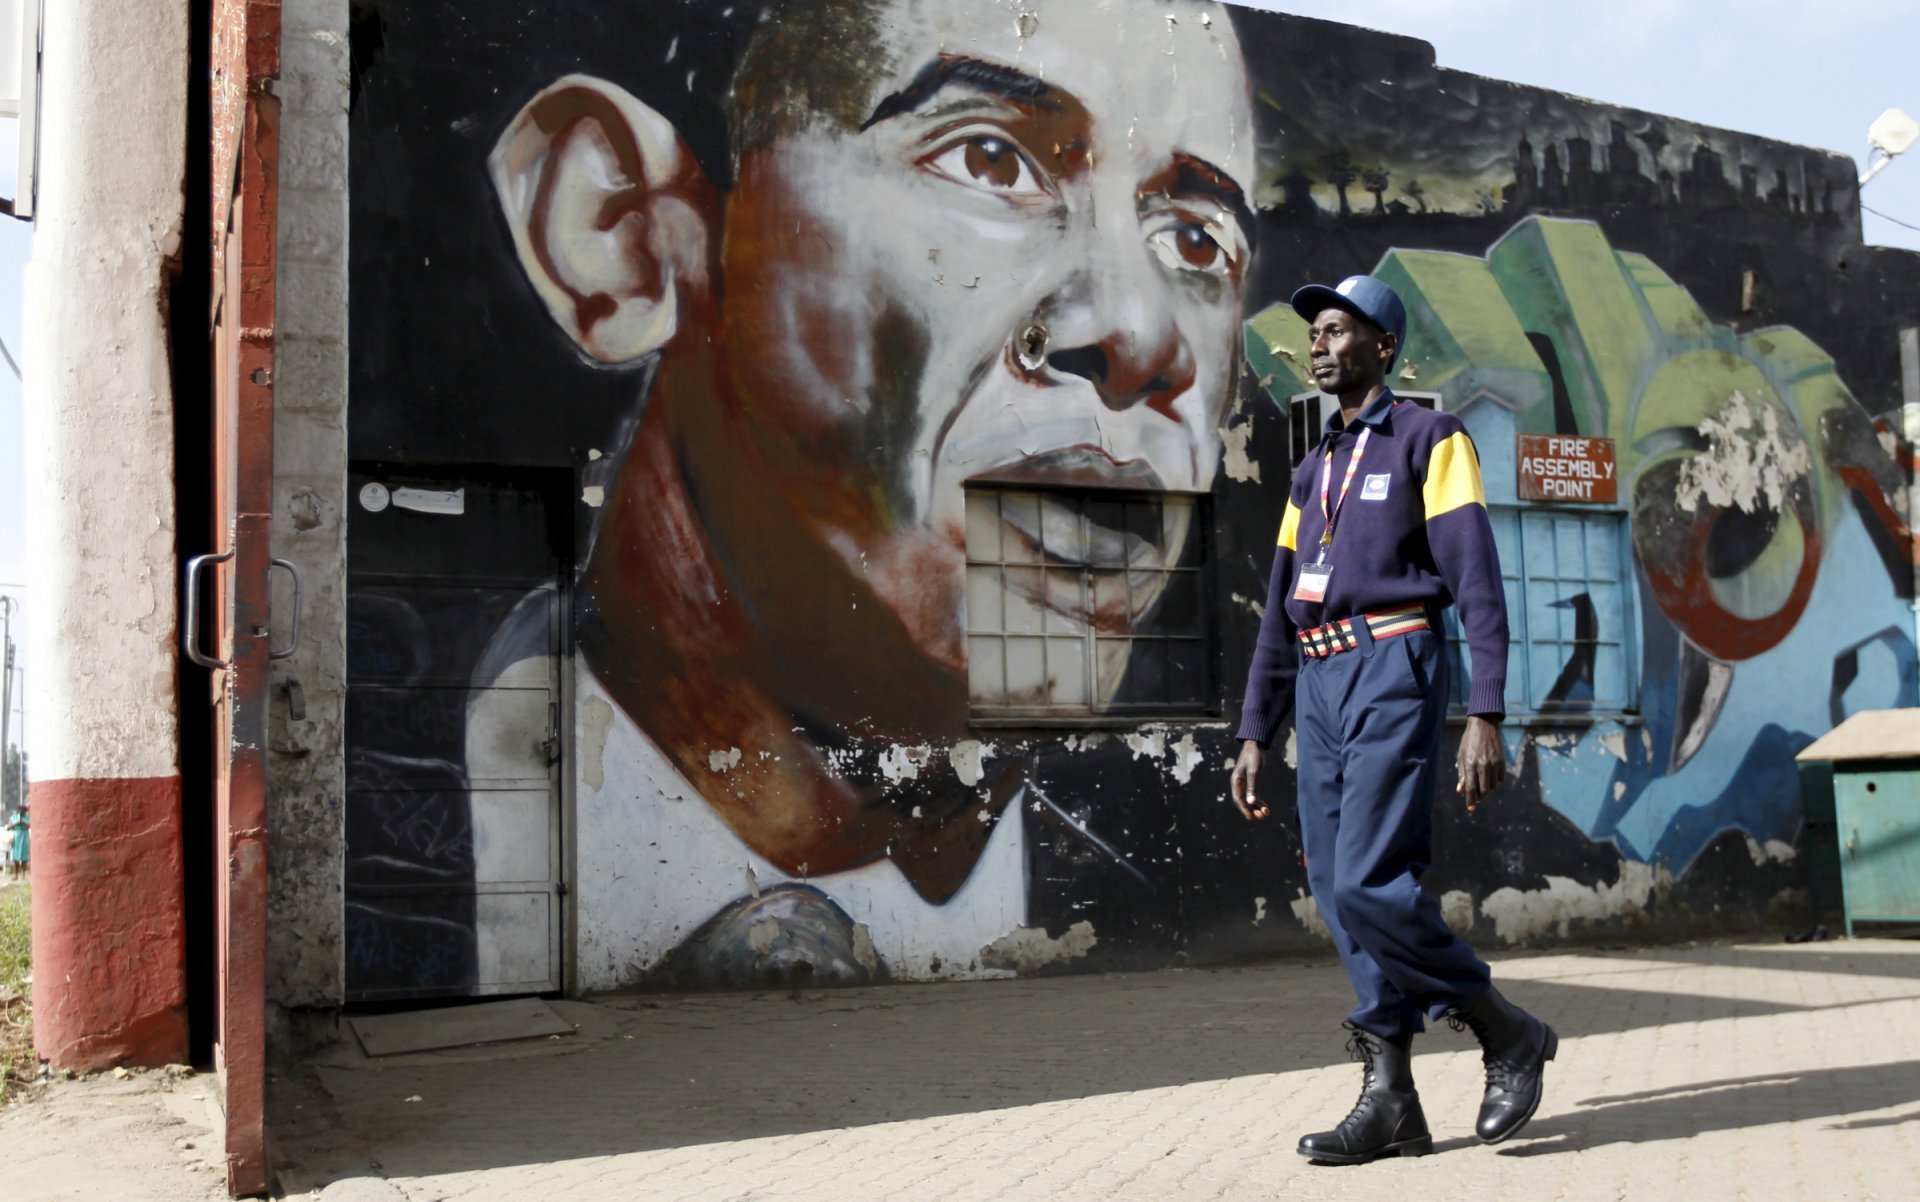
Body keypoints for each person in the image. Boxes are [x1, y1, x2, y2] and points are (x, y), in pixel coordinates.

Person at [485, 0, 1259, 982]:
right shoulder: (410, 859)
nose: (1143, 338)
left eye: (1195, 241)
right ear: (624, 237)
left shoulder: (1152, 910)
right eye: (989, 160)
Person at [1229, 275, 1557, 1163]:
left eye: (1338, 330)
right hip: (1321, 678)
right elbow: (1277, 613)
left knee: (1375, 880)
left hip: (1396, 662)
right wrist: (1258, 731)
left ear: (1384, 346)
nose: (1320, 345)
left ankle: (1505, 1031)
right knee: (1341, 891)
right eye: (1316, 334)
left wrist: (1484, 710)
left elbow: (1477, 581)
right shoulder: (1312, 469)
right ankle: (1392, 1101)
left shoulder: (1430, 438)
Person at [5, 806, 24, 881]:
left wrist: (22, 822)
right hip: (16, 838)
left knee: (24, 857)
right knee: (15, 856)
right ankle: (16, 875)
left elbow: (29, 825)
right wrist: (16, 824)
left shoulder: (26, 817)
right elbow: (8, 827)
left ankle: (23, 874)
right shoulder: (13, 818)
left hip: (24, 838)